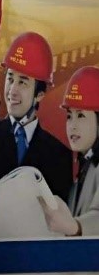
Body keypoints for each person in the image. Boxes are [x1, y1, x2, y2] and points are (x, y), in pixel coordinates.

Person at [0, 32, 73, 201]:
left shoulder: (59, 154)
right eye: (10, 79)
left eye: (22, 82)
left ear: (40, 94)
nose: (12, 91)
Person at [41, 66, 99, 237]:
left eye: (81, 116)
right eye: (69, 116)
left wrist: (75, 226)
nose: (72, 125)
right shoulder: (84, 166)